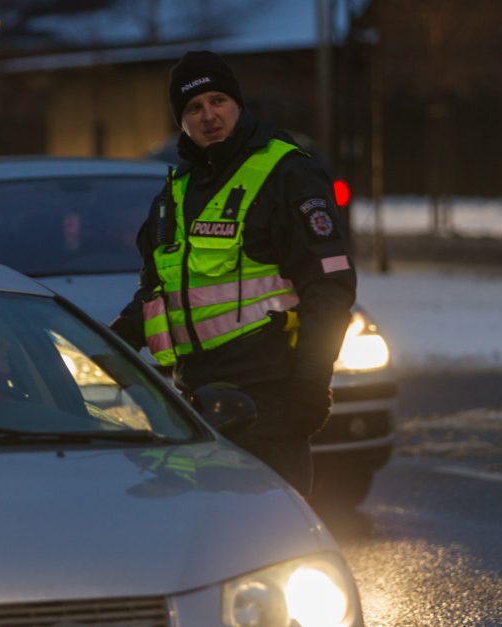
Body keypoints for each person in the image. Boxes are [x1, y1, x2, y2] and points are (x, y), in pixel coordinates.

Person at [109, 50, 356, 497]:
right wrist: (105, 346)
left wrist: (310, 383)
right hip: (196, 406)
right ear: (181, 122)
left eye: (218, 100)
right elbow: (158, 294)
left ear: (238, 104)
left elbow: (329, 286)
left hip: (270, 404)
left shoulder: (286, 173)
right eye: (193, 108)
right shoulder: (175, 194)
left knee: (271, 547)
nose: (208, 115)